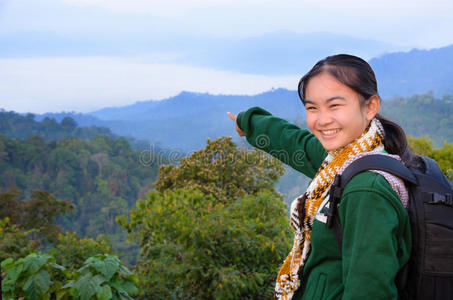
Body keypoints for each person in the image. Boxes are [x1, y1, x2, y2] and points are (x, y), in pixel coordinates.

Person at [227, 54, 413, 300]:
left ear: (370, 106)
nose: (322, 120)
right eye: (312, 108)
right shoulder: (347, 158)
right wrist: (250, 123)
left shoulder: (366, 190)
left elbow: (370, 292)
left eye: (335, 105)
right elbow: (297, 144)